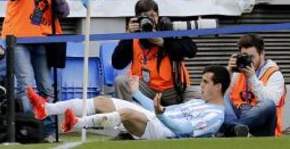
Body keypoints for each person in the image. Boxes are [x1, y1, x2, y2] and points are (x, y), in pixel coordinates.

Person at [28, 65, 230, 140]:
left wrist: (160, 115)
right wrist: (137, 93)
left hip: (164, 134)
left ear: (218, 86)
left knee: (126, 114)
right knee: (102, 101)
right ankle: (46, 108)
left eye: (205, 82)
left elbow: (183, 129)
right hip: (157, 119)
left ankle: (76, 123)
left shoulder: (215, 116)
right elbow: (162, 110)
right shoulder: (198, 102)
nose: (201, 85)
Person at [1, 0, 70, 142]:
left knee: (47, 87)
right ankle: (30, 131)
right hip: (19, 37)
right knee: (26, 85)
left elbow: (64, 13)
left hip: (44, 38)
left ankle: (48, 131)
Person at [112, 0, 197, 106]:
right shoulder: (134, 36)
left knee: (197, 95)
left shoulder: (168, 29)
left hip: (173, 89)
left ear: (158, 17)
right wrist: (128, 36)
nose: (149, 20)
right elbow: (117, 63)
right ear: (137, 19)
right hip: (145, 88)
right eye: (144, 17)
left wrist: (163, 42)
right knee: (121, 81)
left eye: (152, 16)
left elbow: (192, 51)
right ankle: (129, 117)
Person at [224, 33, 286, 136]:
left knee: (268, 104)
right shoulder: (238, 71)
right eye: (245, 56)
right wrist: (229, 72)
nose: (248, 60)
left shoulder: (274, 74)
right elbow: (222, 96)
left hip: (262, 125)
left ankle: (234, 129)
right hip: (239, 114)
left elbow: (272, 103)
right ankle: (238, 129)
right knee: (222, 97)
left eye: (251, 57)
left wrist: (252, 78)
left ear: (262, 54)